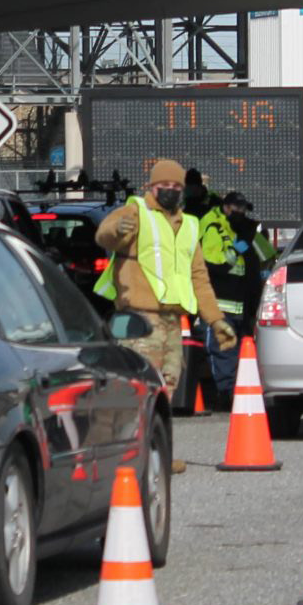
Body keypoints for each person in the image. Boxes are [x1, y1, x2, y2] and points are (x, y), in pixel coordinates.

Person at [93, 160, 236, 426]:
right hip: (140, 321)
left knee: (166, 386)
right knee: (138, 387)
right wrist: (116, 230)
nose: (170, 190)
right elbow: (105, 236)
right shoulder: (136, 212)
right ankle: (128, 452)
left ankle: (157, 449)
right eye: (163, 186)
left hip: (171, 321)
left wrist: (216, 320)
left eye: (175, 186)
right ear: (151, 187)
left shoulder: (190, 225)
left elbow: (199, 279)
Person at [199, 192, 259, 406]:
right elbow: (216, 265)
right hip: (220, 302)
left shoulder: (244, 229)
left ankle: (238, 390)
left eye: (243, 209)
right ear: (226, 207)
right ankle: (226, 395)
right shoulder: (213, 227)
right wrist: (240, 245)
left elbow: (260, 261)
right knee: (223, 349)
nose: (241, 213)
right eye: (237, 208)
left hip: (241, 304)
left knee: (241, 351)